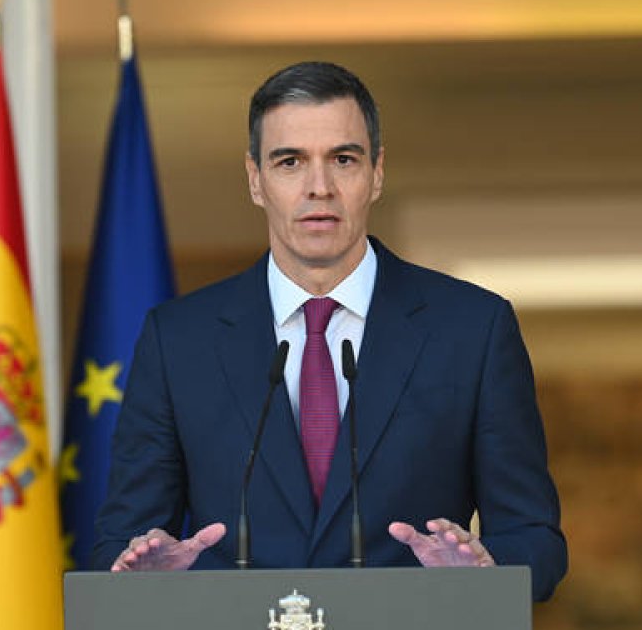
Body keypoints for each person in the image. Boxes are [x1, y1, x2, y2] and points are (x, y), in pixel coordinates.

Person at [91, 61, 567, 601]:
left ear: (377, 173)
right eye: (290, 162)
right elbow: (118, 543)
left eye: (343, 159)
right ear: (255, 180)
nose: (320, 187)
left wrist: (486, 571)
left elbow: (536, 541)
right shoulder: (177, 341)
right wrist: (144, 575)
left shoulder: (474, 330)